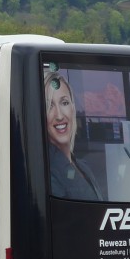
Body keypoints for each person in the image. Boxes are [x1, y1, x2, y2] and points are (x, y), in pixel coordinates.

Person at [44, 71, 103, 199]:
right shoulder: (47, 174)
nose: (59, 116)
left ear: (72, 108)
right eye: (49, 106)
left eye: (64, 103)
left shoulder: (82, 165)